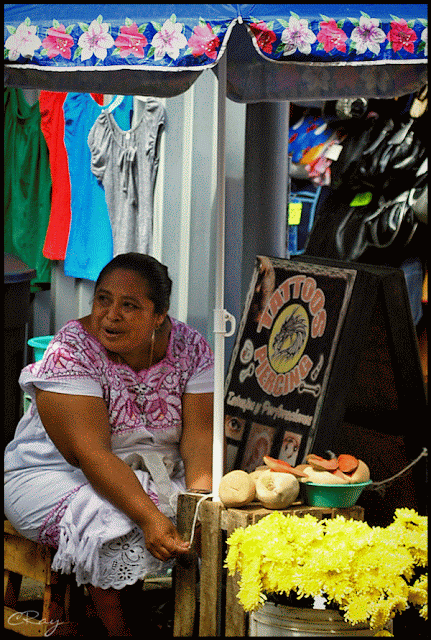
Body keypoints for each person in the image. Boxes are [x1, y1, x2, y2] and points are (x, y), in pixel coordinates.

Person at [4, 253, 215, 636]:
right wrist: (151, 518)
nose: (110, 315)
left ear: (160, 314)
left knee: (210, 519)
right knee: (113, 524)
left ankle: (158, 618)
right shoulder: (73, 349)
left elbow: (200, 435)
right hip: (55, 473)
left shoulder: (191, 347)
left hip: (155, 470)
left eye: (129, 305)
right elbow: (90, 454)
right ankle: (119, 630)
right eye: (103, 299)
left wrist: (199, 500)